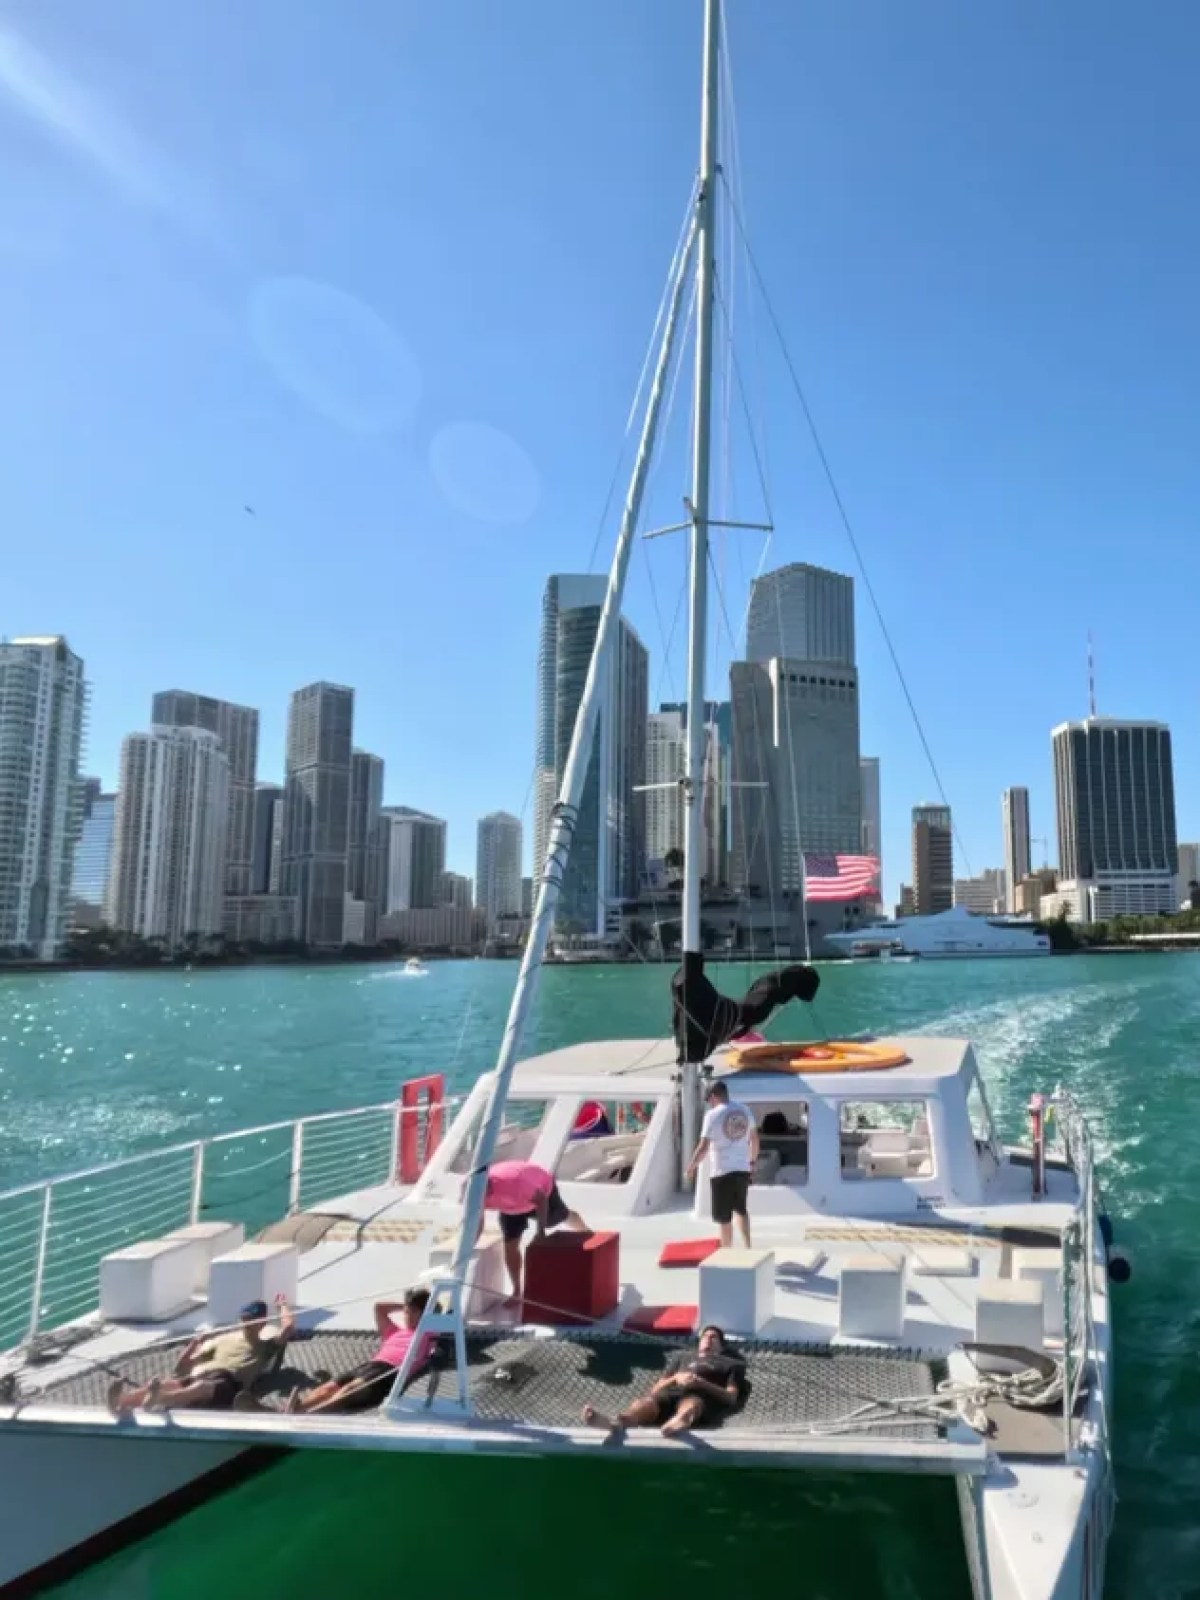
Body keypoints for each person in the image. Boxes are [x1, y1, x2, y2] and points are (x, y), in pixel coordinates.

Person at [108, 1296, 295, 1415]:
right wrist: (195, 1343)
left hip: (229, 1384)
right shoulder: (222, 1340)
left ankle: (158, 1400)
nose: (246, 1323)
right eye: (244, 1319)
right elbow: (181, 1368)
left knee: (200, 1386)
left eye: (251, 1320)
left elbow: (287, 1328)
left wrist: (283, 1305)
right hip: (202, 1375)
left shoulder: (264, 1347)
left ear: (261, 1323)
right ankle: (120, 1401)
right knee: (168, 1383)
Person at [269, 1287, 435, 1415]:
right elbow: (379, 1307)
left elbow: (443, 1320)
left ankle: (308, 1416)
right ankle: (292, 1411)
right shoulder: (394, 1331)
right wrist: (406, 1305)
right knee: (325, 1389)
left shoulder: (428, 1333)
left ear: (424, 1314)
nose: (407, 1315)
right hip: (370, 1365)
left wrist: (426, 1308)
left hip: (390, 1372)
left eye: (413, 1312)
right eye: (406, 1311)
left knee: (349, 1390)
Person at [581, 1324, 745, 1440]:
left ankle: (679, 1421)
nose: (708, 1340)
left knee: (692, 1404)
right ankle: (615, 1423)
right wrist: (676, 1378)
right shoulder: (683, 1357)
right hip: (669, 1395)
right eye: (704, 1337)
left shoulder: (729, 1364)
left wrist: (701, 1383)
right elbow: (655, 1389)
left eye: (713, 1337)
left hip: (699, 1396)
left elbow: (731, 1397)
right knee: (644, 1402)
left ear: (721, 1346)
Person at [483, 1159, 588, 1299]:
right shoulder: (470, 1191)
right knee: (510, 1245)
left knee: (559, 1216)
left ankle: (584, 1230)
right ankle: (516, 1291)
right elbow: (476, 1217)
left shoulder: (515, 1184)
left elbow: (542, 1199)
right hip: (510, 1206)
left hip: (541, 1190)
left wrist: (540, 1232)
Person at [686, 1079, 758, 1248]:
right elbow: (754, 1139)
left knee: (724, 1218)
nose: (709, 1104)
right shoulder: (745, 1110)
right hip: (742, 1168)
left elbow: (703, 1147)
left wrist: (691, 1167)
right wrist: (752, 1162)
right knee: (741, 1209)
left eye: (709, 1100)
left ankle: (727, 1252)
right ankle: (748, 1246)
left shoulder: (712, 1116)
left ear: (713, 1096)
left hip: (722, 1171)